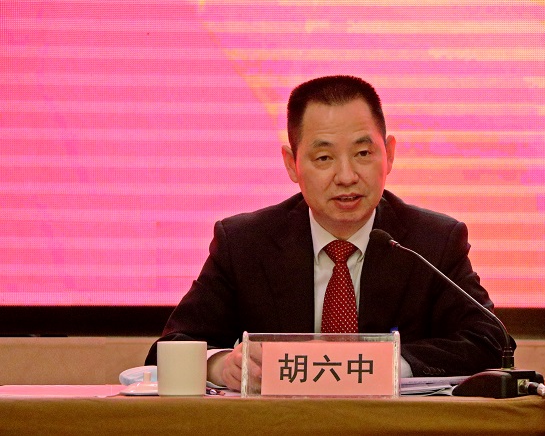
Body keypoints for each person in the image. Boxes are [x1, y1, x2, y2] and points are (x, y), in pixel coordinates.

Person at [145, 75, 509, 391]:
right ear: (291, 164)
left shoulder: (433, 241)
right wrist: (220, 365)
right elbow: (169, 349)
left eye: (363, 153)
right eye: (324, 158)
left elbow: (489, 342)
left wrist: (385, 365)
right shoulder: (244, 244)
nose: (347, 176)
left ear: (390, 154)